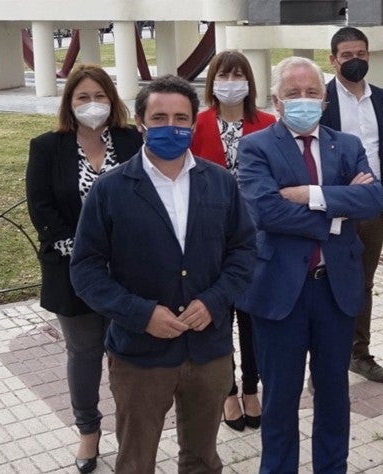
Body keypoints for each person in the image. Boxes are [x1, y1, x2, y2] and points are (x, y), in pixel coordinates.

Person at [71, 75, 256, 474]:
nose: (170, 126)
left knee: (203, 459)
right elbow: (85, 270)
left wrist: (214, 300)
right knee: (136, 461)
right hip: (140, 355)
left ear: (193, 124)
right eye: (159, 117)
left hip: (210, 351)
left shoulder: (220, 183)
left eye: (180, 118)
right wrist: (140, 314)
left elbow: (244, 252)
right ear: (140, 123)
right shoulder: (111, 189)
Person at [237, 56, 383, 474]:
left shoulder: (348, 145)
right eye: (292, 93)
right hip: (281, 291)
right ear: (276, 101)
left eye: (311, 93)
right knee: (281, 397)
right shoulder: (255, 146)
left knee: (334, 393)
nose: (303, 100)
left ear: (324, 100)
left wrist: (311, 195)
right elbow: (266, 213)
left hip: (334, 289)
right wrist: (339, 207)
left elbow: (374, 201)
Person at [26, 64, 142, 472]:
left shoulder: (132, 140)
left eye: (100, 96)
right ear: (69, 103)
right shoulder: (47, 147)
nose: (92, 105)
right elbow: (41, 207)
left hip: (129, 273)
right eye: (82, 98)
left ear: (112, 101)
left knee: (127, 354)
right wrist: (84, 253)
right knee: (84, 352)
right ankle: (88, 432)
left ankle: (132, 430)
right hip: (73, 271)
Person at [188, 51, 277, 430]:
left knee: (252, 318)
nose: (231, 82)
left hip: (257, 238)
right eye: (223, 75)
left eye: (239, 75)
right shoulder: (196, 124)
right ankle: (227, 392)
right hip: (209, 239)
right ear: (212, 81)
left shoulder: (269, 124)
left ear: (250, 82)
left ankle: (252, 388)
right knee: (218, 316)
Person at [321, 27, 383, 384]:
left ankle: (359, 352)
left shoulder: (381, 98)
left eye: (361, 54)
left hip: (372, 208)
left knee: (364, 283)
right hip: (333, 207)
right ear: (333, 60)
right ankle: (327, 349)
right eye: (347, 56)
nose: (355, 61)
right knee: (329, 280)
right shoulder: (321, 99)